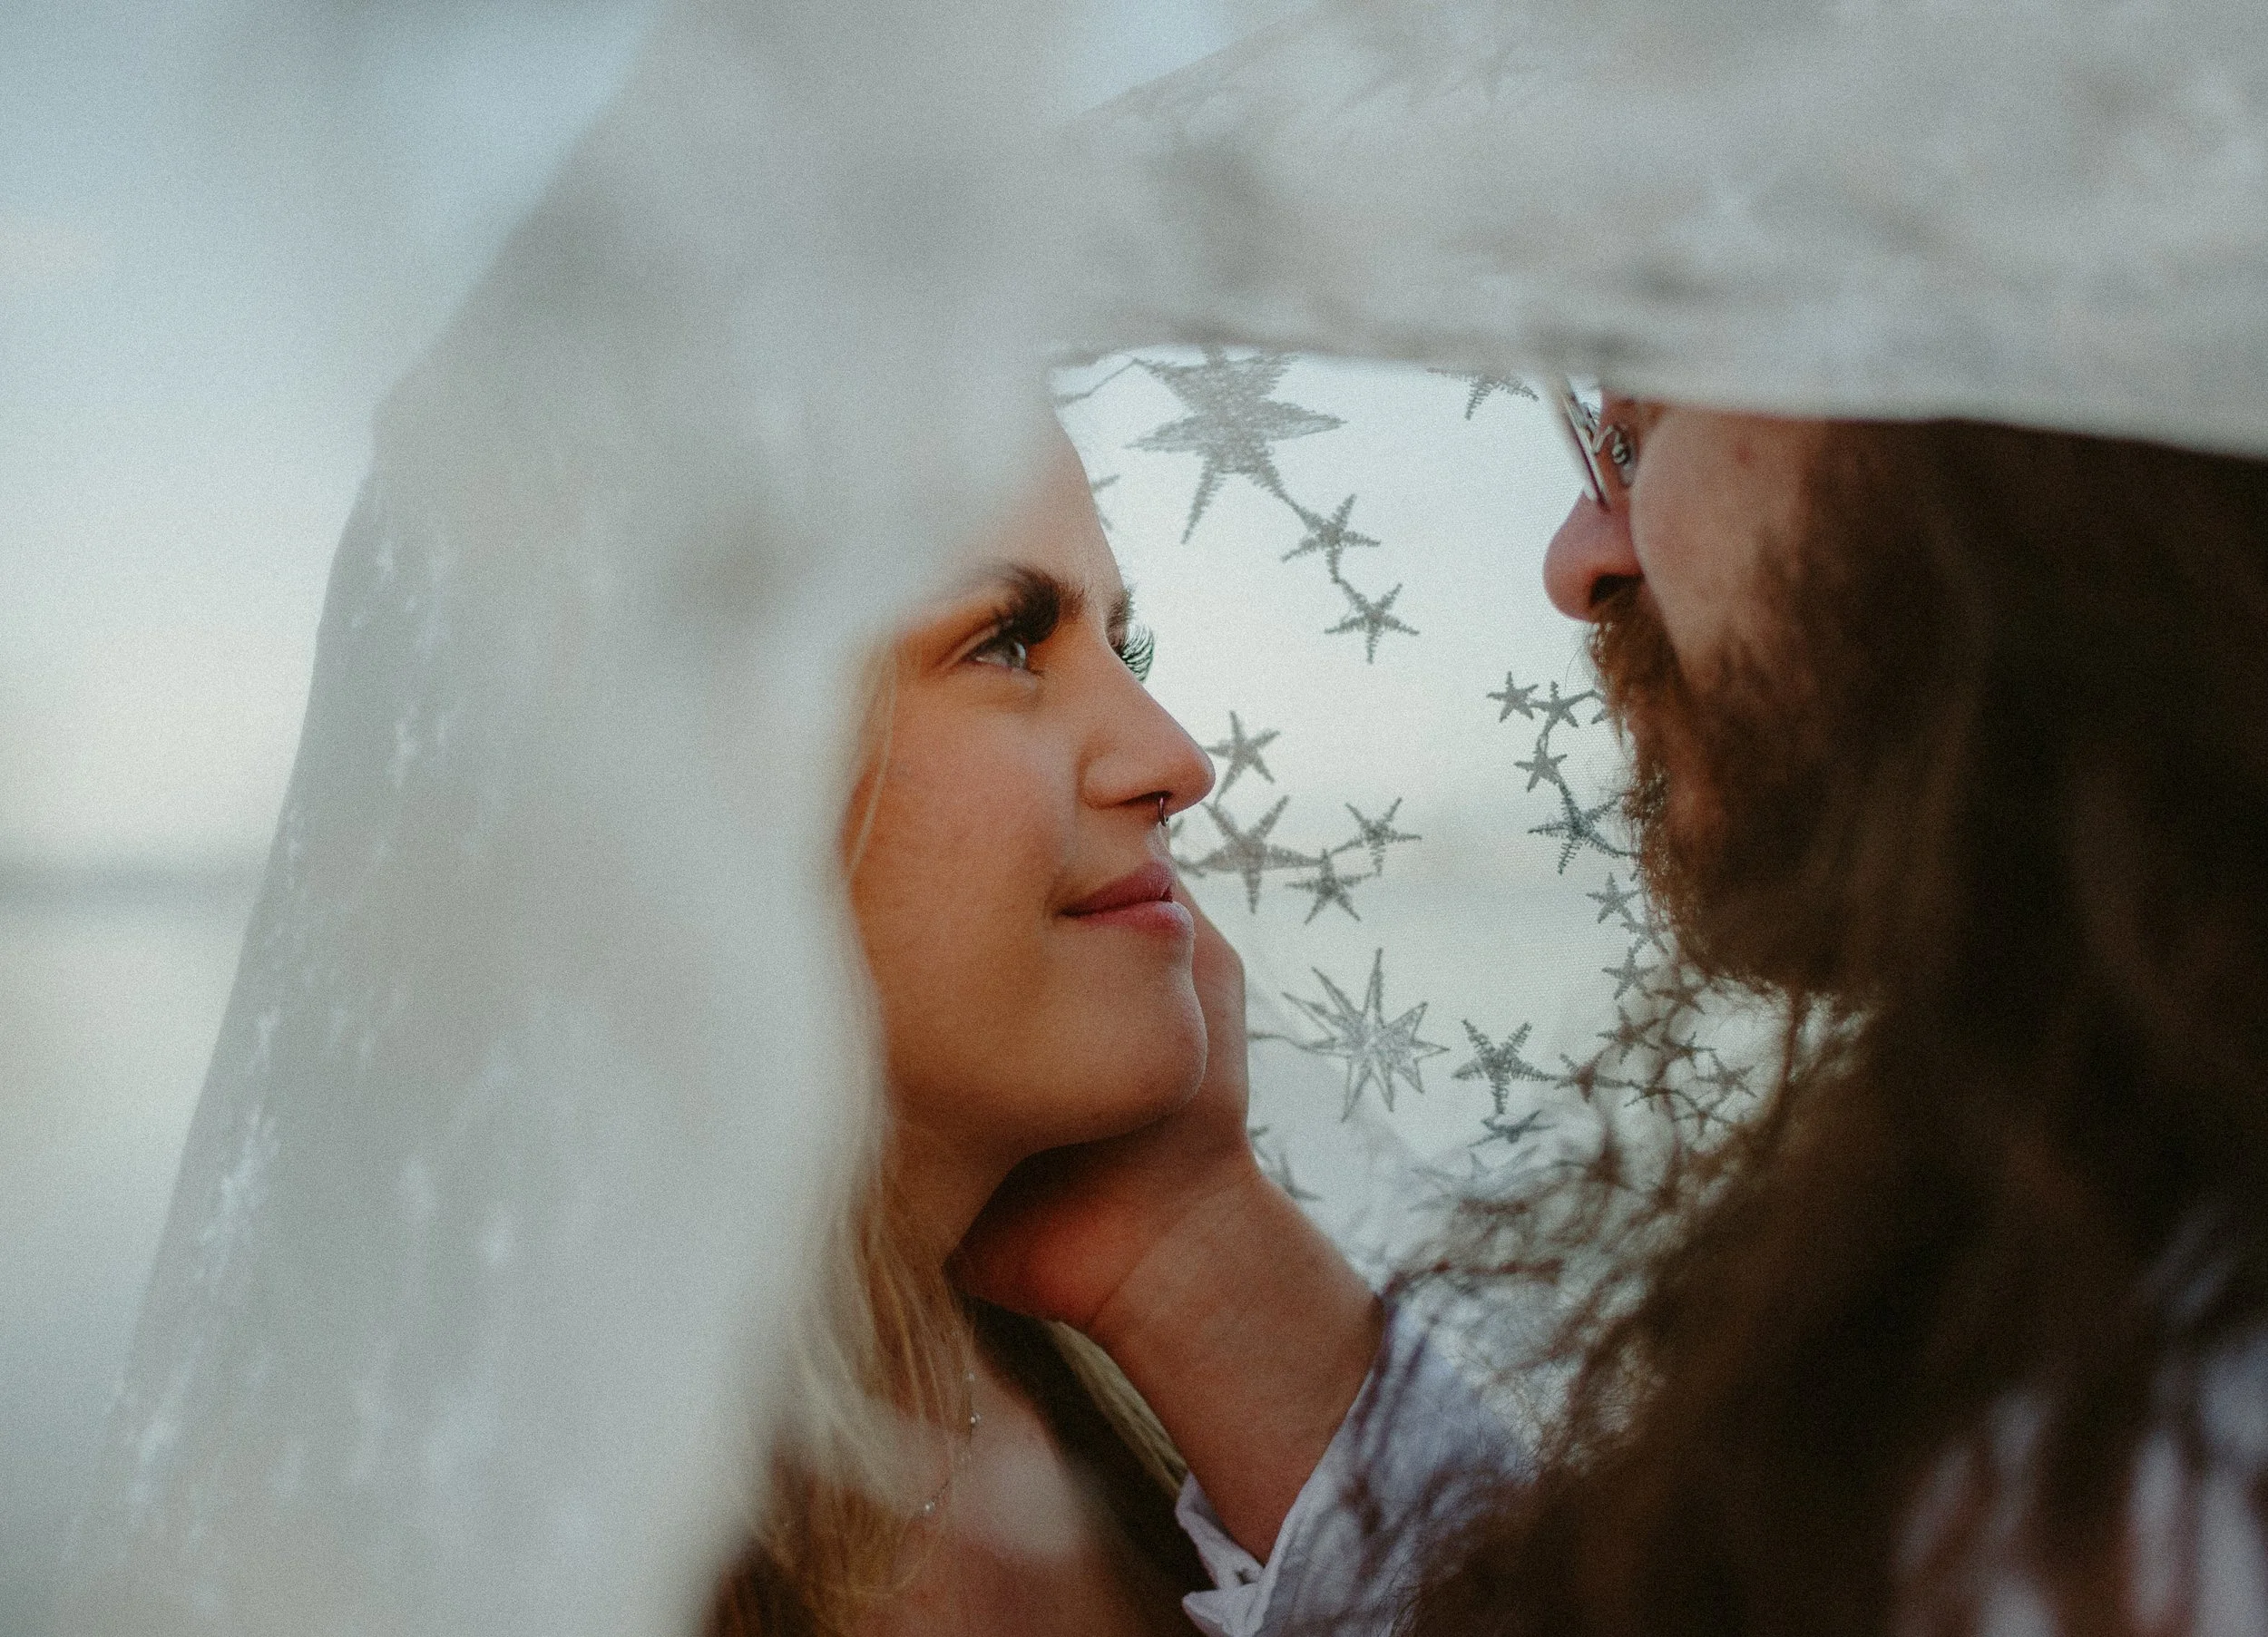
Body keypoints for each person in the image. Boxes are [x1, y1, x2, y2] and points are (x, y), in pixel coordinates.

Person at [958, 402, 2268, 1635]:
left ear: (2011, 445)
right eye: (1009, 644)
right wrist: (1187, 1246)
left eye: (1638, 438)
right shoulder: (2124, 1184)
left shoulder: (2189, 1452)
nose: (1578, 558)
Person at [705, 436, 1229, 1636]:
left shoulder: (1144, 1414)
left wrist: (1204, 1240)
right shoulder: (544, 1555)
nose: (1178, 762)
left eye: (1125, 646)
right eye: (1007, 643)